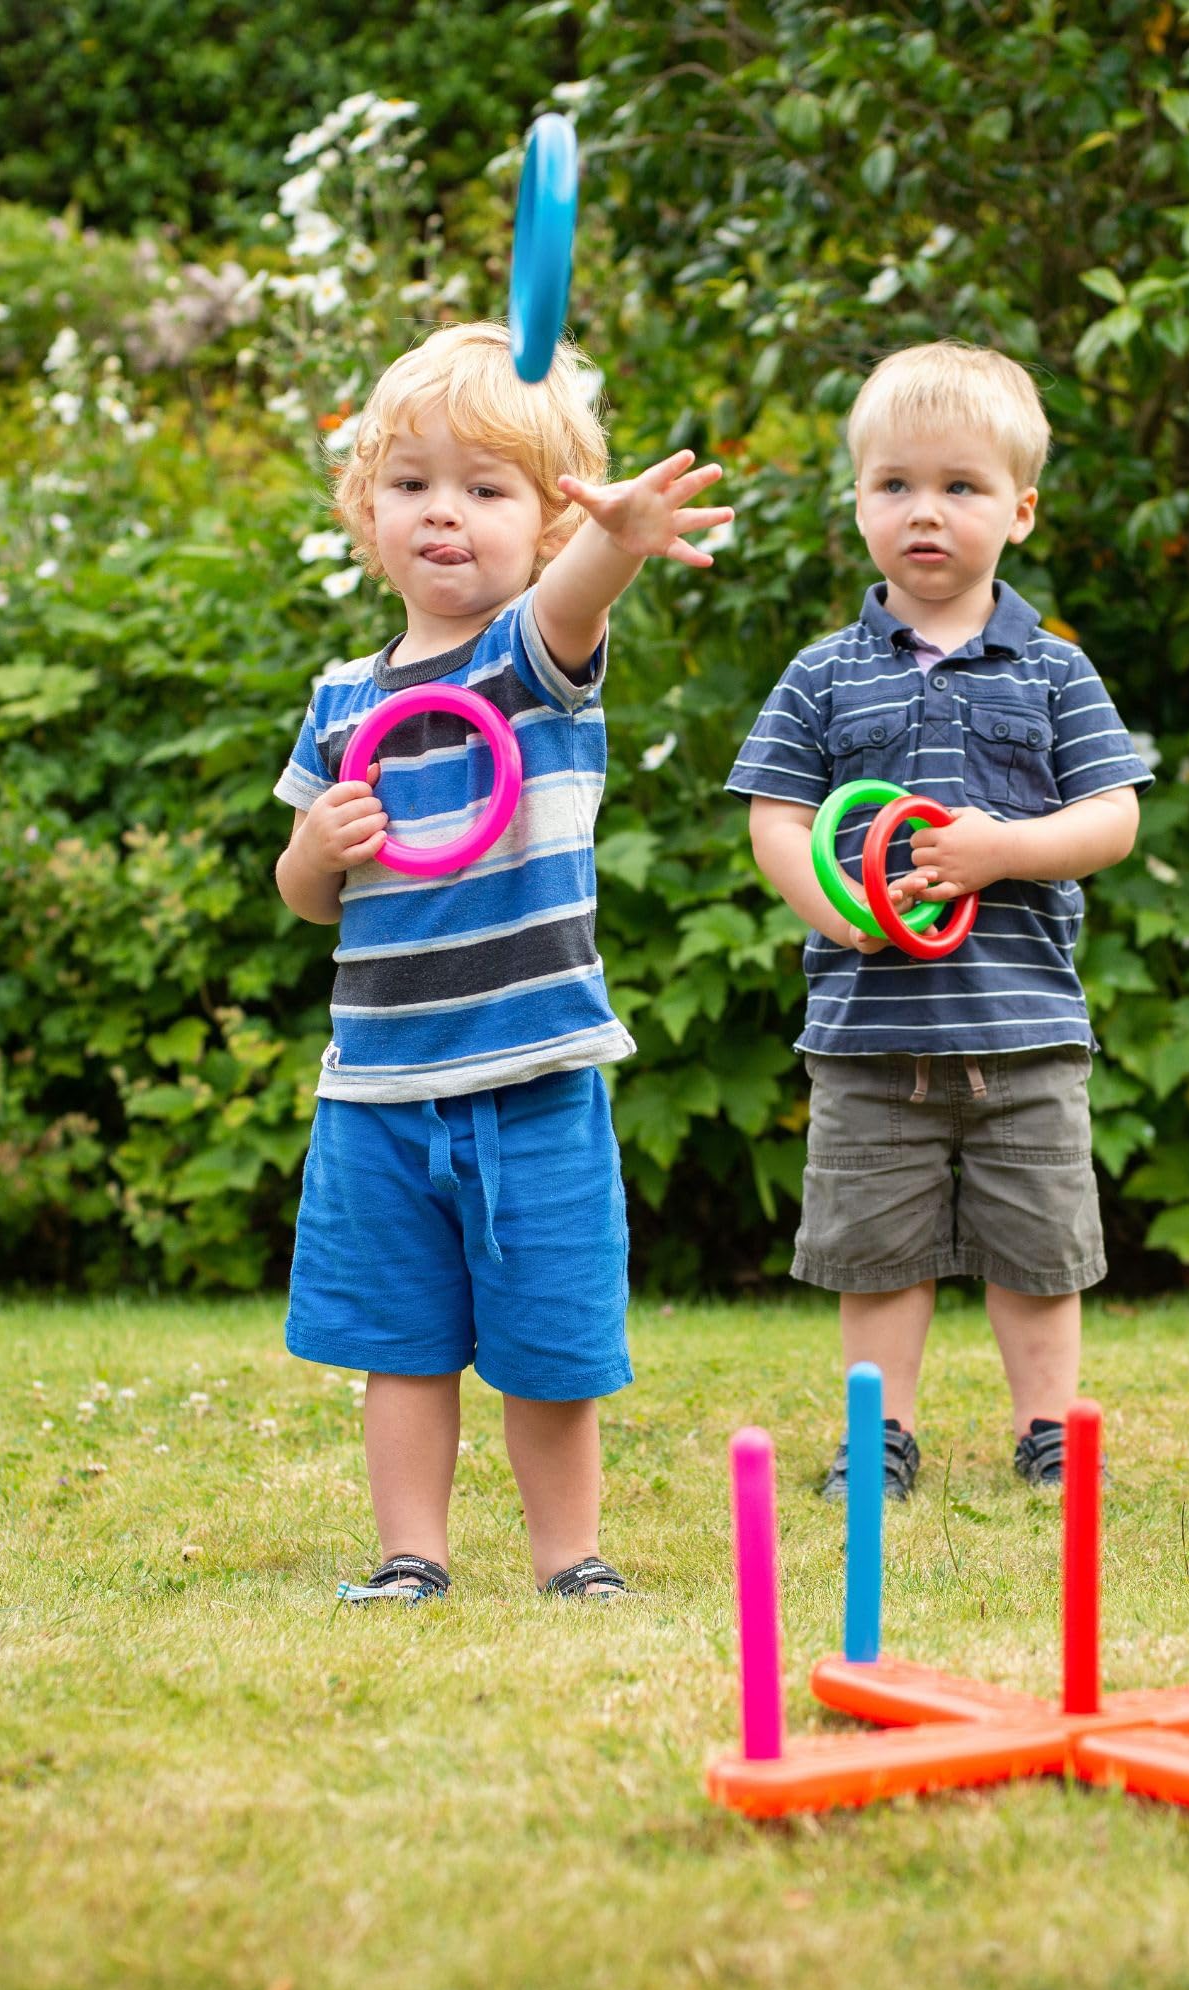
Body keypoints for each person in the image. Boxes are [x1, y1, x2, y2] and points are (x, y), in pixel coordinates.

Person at [273, 321, 730, 1602]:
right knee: (400, 1345)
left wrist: (617, 536)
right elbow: (304, 895)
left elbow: (577, 596)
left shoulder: (528, 662)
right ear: (367, 510)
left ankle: (567, 1557)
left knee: (548, 1346)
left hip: (529, 1076)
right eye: (412, 484)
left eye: (486, 489)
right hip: (377, 1088)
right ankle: (410, 1555)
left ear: (542, 523)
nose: (443, 514)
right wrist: (317, 845)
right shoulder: (340, 700)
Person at [727, 341, 1152, 1500]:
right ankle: (881, 1434)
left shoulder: (1055, 672)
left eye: (960, 487)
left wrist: (1000, 850)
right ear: (858, 502)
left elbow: (1110, 818)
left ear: (1017, 511)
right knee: (878, 1251)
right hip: (867, 1031)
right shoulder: (821, 675)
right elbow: (776, 819)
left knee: (1039, 1248)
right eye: (895, 486)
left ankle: (1049, 1429)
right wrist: (838, 911)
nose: (926, 513)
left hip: (1024, 1027)